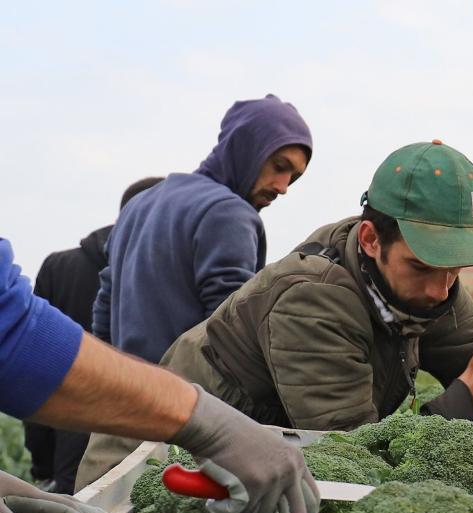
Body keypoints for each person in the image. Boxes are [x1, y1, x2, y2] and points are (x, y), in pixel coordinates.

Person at [76, 140, 473, 486]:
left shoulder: (433, 286)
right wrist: (470, 390)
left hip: (235, 458)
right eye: (423, 265)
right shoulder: (312, 301)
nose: (441, 288)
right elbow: (353, 459)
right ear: (372, 239)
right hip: (143, 465)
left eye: (453, 268)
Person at [0, 237, 318, 513]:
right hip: (131, 410)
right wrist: (208, 423)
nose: (284, 188)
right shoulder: (227, 217)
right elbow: (16, 335)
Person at [93, 94, 313, 364]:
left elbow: (105, 310)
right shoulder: (228, 212)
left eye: (294, 177)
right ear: (245, 147)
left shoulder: (138, 204)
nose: (283, 186)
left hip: (127, 389)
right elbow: (230, 331)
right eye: (279, 166)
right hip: (182, 398)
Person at [24, 176, 163, 494]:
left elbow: (35, 368)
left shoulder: (60, 267)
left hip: (69, 438)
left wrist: (44, 466)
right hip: (145, 438)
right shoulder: (161, 275)